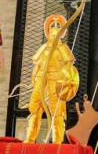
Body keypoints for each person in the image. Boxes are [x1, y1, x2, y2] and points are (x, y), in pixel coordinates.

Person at [24, 15, 79, 144]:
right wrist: (34, 75)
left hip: (56, 80)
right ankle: (30, 137)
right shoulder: (43, 48)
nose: (55, 28)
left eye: (58, 26)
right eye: (52, 26)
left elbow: (69, 68)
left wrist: (66, 81)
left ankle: (57, 139)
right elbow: (38, 64)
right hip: (41, 79)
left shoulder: (63, 49)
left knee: (56, 110)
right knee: (35, 106)